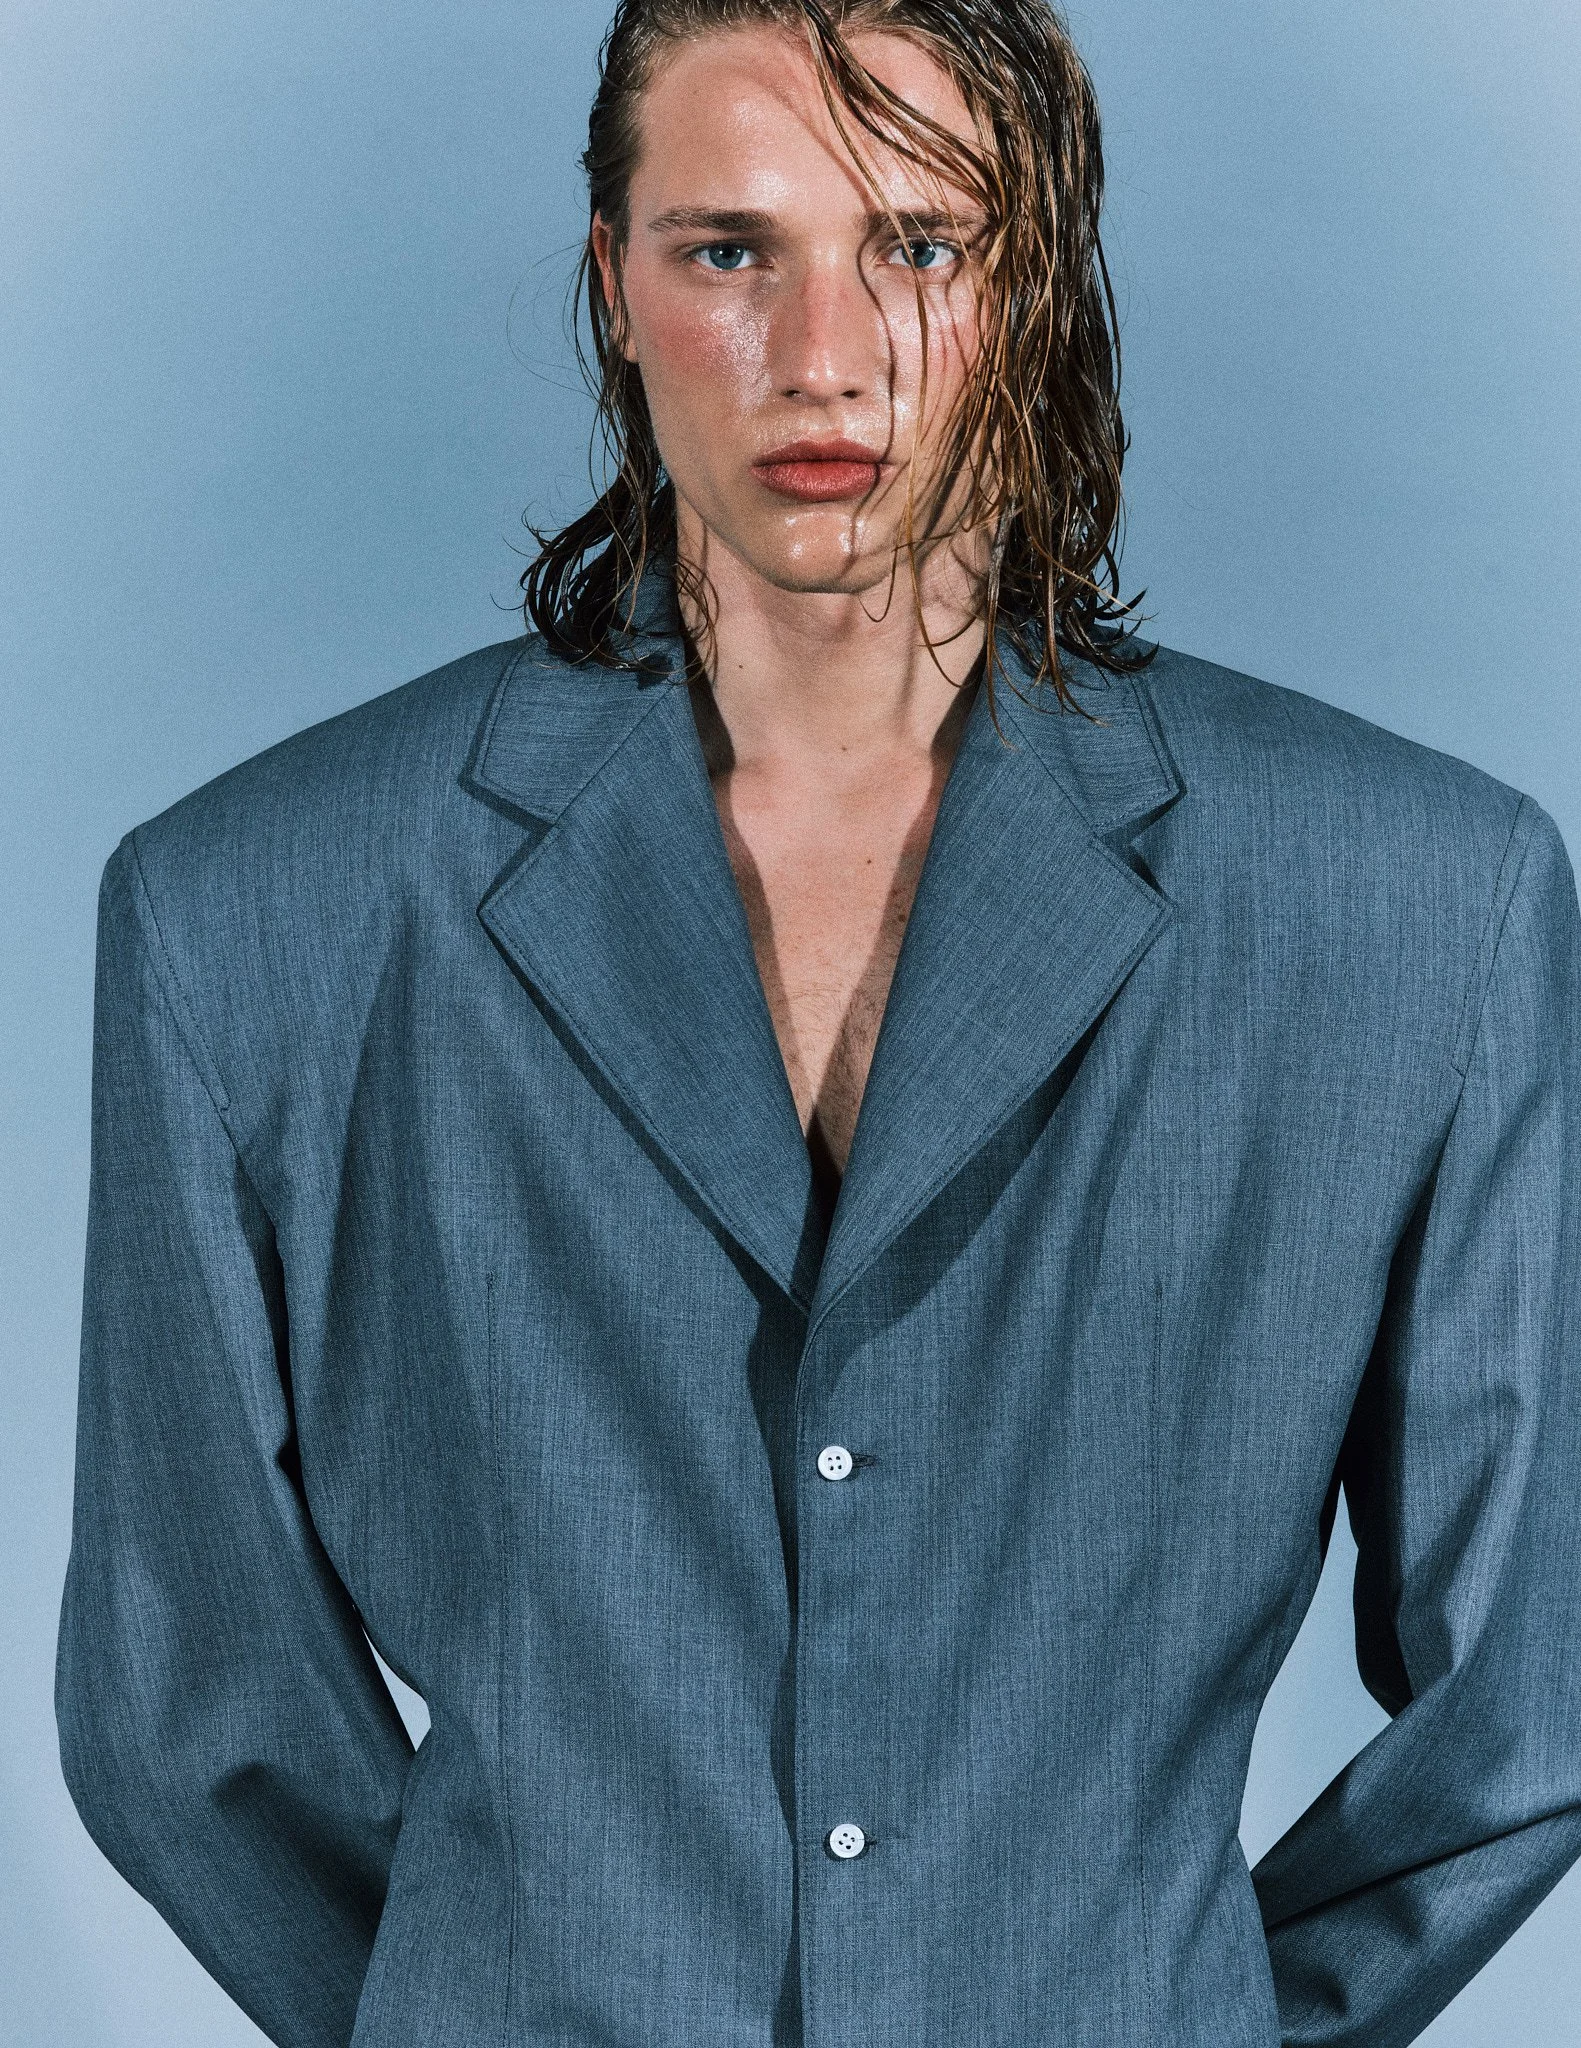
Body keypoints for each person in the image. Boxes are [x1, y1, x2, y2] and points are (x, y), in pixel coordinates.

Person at [55, 1, 1581, 2044]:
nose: (823, 352)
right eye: (728, 248)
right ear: (610, 280)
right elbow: (187, 1701)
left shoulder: (1422, 911)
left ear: (1030, 276)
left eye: (919, 245)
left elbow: (1537, 1693)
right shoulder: (252, 916)